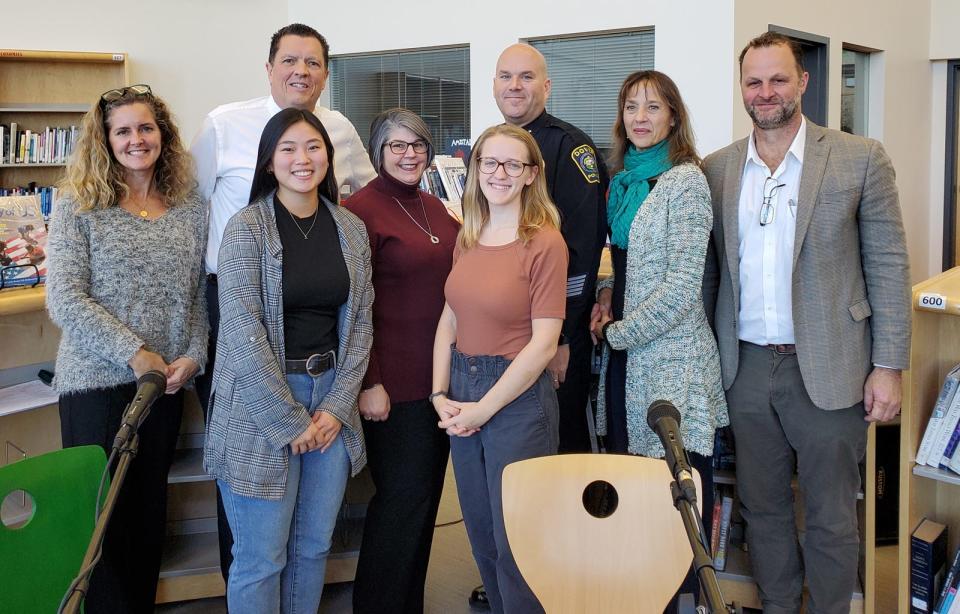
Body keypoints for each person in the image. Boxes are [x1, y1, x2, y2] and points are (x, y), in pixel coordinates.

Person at [702, 31, 911, 614]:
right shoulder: (718, 168)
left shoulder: (859, 157)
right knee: (762, 508)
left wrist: (889, 366)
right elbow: (714, 274)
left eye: (777, 79)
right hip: (744, 368)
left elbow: (889, 265)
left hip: (831, 367)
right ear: (742, 89)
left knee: (830, 514)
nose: (765, 92)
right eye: (753, 81)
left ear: (803, 82)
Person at [191, 22, 376, 579]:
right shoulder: (226, 127)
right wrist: (288, 419)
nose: (301, 71)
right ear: (269, 66)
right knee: (258, 549)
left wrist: (333, 409)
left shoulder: (341, 143)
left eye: (313, 62)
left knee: (311, 546)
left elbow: (370, 192)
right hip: (244, 332)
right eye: (290, 60)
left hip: (326, 370)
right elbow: (193, 207)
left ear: (325, 71)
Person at [46, 84, 207, 613]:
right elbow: (65, 297)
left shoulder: (189, 205)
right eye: (123, 131)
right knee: (101, 529)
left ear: (163, 134)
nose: (137, 140)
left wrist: (194, 355)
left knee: (144, 523)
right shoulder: (79, 204)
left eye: (146, 128)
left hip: (164, 387)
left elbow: (198, 295)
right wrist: (135, 353)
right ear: (105, 140)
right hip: (96, 385)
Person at [590, 69, 728, 610]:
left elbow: (680, 287)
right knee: (635, 486)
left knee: (677, 494)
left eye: (652, 108)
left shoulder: (686, 181)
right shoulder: (622, 181)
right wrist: (605, 295)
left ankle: (682, 600)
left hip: (670, 359)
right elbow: (625, 265)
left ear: (673, 116)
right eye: (631, 108)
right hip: (626, 357)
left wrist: (619, 333)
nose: (640, 119)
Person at [432, 123, 568, 614]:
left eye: (514, 164)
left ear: (532, 174)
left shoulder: (545, 242)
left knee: (519, 543)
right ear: (476, 168)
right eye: (490, 162)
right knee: (482, 532)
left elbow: (544, 344)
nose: (499, 173)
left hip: (515, 397)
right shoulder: (468, 233)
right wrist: (438, 394)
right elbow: (450, 317)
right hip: (462, 389)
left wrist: (481, 410)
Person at [344, 108, 459, 613]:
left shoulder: (436, 207)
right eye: (397, 145)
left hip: (441, 382)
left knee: (424, 506)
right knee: (399, 504)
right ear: (377, 153)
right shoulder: (359, 211)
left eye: (417, 145)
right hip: (392, 385)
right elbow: (353, 304)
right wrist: (369, 381)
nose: (409, 154)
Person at [493, 43, 608, 454]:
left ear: (547, 86)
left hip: (552, 333)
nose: (515, 86)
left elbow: (581, 251)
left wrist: (562, 337)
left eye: (526, 77)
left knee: (558, 450)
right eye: (506, 76)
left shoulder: (569, 149)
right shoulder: (491, 150)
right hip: (502, 332)